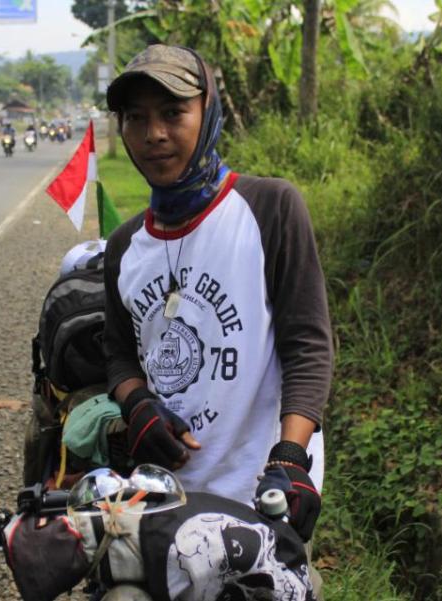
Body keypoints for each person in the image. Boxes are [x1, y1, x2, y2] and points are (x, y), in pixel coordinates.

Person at [102, 45, 333, 554]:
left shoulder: (270, 208)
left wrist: (291, 457)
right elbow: (117, 353)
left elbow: (308, 346)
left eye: (172, 113)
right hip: (164, 496)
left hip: (261, 496)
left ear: (208, 114)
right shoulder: (123, 247)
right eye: (135, 118)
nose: (153, 134)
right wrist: (138, 405)